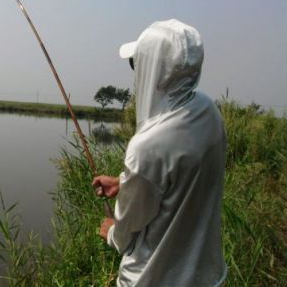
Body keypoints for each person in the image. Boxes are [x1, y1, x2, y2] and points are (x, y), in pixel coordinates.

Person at [93, 19, 227, 286]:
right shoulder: (208, 112)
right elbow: (181, 178)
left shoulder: (147, 146)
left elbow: (127, 231)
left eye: (138, 62)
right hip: (207, 277)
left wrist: (111, 233)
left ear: (156, 70)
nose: (137, 71)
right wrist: (124, 183)